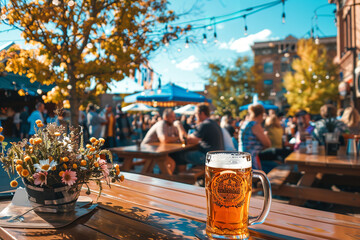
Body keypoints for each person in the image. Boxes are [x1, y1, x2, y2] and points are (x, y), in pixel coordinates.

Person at [141, 108, 187, 174]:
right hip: (147, 150)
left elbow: (183, 138)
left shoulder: (171, 125)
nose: (174, 119)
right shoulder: (161, 124)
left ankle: (164, 178)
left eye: (174, 117)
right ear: (165, 117)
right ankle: (166, 181)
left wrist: (179, 126)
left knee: (172, 161)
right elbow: (164, 140)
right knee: (171, 163)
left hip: (157, 151)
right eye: (172, 117)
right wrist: (177, 138)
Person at [185, 103, 224, 172]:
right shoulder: (213, 122)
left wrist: (179, 127)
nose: (195, 116)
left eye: (196, 113)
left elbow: (190, 140)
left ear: (202, 113)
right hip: (218, 157)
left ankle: (181, 178)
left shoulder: (205, 124)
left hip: (209, 158)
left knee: (182, 155)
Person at [238, 104, 271, 170]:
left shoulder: (245, 123)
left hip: (242, 159)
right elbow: (267, 144)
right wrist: (265, 135)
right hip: (251, 161)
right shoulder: (255, 125)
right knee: (276, 165)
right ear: (260, 114)